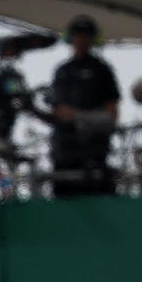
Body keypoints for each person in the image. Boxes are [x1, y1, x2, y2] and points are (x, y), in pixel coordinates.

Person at [50, 15, 121, 197]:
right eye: (77, 34)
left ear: (93, 39)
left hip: (92, 156)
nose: (81, 39)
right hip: (62, 155)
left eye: (86, 35)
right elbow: (55, 114)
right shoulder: (61, 71)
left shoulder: (102, 69)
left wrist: (77, 116)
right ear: (70, 38)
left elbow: (112, 116)